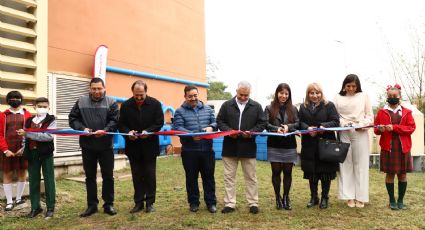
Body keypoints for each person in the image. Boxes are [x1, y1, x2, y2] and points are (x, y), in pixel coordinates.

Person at [69, 78, 119, 217]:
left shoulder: (112, 102)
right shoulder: (81, 101)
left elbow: (115, 121)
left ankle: (108, 204)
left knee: (108, 176)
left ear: (104, 88)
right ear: (90, 89)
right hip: (87, 145)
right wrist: (82, 128)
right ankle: (92, 205)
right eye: (94, 88)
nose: (96, 91)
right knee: (90, 177)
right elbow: (73, 119)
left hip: (106, 146)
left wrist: (105, 130)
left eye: (99, 88)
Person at [216, 81, 266, 214]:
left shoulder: (256, 106)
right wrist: (229, 131)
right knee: (229, 177)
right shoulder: (226, 105)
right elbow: (220, 121)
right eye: (241, 94)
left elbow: (262, 123)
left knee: (251, 177)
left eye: (246, 95)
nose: (243, 97)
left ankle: (253, 203)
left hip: (248, 147)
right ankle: (229, 203)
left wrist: (251, 133)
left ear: (250, 93)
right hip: (229, 147)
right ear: (236, 91)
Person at [118, 80, 164, 213]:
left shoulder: (155, 104)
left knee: (150, 175)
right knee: (137, 176)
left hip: (150, 146)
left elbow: (159, 122)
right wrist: (128, 133)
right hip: (133, 147)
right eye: (136, 95)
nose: (138, 98)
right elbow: (121, 124)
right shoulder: (126, 105)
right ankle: (138, 203)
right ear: (132, 92)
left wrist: (148, 131)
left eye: (141, 95)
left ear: (146, 92)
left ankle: (150, 203)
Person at [173, 85, 217, 213]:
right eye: (190, 96)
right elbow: (178, 128)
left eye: (195, 95)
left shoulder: (208, 109)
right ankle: (193, 202)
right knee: (191, 178)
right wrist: (192, 135)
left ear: (198, 95)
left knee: (209, 177)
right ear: (185, 97)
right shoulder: (179, 111)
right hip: (189, 151)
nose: (193, 98)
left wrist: (211, 127)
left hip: (207, 150)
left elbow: (215, 123)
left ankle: (211, 203)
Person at [334, 74, 373, 208]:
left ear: (357, 86)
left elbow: (369, 116)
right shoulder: (337, 97)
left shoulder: (364, 96)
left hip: (360, 132)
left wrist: (362, 124)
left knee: (360, 164)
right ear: (344, 85)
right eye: (348, 86)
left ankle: (361, 197)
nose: (351, 88)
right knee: (346, 164)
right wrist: (344, 123)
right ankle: (348, 196)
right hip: (344, 132)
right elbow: (335, 115)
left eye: (353, 86)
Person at [374, 84, 415, 210]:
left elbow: (411, 128)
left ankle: (401, 201)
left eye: (395, 96)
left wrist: (395, 127)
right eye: (390, 96)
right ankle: (392, 200)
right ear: (387, 97)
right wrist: (380, 129)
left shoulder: (407, 112)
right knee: (390, 174)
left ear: (399, 96)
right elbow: (376, 130)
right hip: (388, 147)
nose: (392, 98)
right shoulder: (381, 112)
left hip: (403, 148)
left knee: (402, 175)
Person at [299, 83, 340, 209]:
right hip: (309, 144)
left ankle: (324, 198)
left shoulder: (329, 105)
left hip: (325, 143)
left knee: (325, 173)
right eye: (312, 93)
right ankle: (313, 197)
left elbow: (335, 121)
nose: (315, 95)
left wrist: (324, 126)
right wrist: (307, 128)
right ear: (308, 94)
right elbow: (299, 122)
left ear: (321, 93)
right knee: (312, 173)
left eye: (317, 93)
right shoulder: (303, 106)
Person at [17, 97, 56, 218]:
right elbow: (24, 137)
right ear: (35, 107)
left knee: (49, 180)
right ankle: (35, 207)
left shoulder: (51, 120)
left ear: (48, 107)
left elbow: (48, 136)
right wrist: (23, 148)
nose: (42, 108)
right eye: (40, 106)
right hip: (31, 153)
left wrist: (28, 134)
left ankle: (50, 207)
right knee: (33, 180)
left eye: (45, 106)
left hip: (46, 153)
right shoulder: (29, 120)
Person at [264, 83, 299, 210]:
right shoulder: (269, 108)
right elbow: (265, 124)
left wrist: (288, 127)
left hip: (289, 145)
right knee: (276, 172)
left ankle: (286, 197)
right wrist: (276, 128)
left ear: (289, 95)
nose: (283, 96)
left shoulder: (294, 108)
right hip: (274, 144)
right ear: (277, 93)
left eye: (286, 93)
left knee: (288, 172)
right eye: (281, 93)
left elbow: (298, 123)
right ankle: (277, 197)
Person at [0, 91, 32, 211]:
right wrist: (5, 150)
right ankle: (9, 201)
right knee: (7, 173)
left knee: (22, 173)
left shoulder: (27, 114)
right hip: (7, 148)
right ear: (8, 101)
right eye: (12, 98)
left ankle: (18, 198)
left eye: (17, 98)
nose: (15, 100)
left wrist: (24, 148)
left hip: (22, 148)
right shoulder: (3, 115)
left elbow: (30, 132)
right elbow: (0, 134)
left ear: (21, 100)